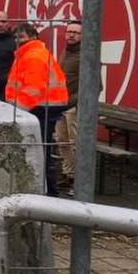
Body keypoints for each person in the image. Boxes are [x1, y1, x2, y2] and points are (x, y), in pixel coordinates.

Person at [5, 23, 71, 194]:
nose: (17, 41)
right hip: (43, 107)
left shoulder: (32, 56)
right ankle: (48, 192)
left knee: (40, 152)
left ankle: (47, 193)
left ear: (33, 36)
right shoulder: (32, 53)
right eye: (16, 37)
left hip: (40, 108)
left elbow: (32, 89)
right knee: (42, 151)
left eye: (21, 37)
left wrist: (16, 111)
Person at [56, 22, 84, 192]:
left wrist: (74, 100)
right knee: (62, 142)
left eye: (76, 32)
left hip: (74, 107)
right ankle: (69, 175)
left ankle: (79, 181)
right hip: (60, 105)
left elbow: (95, 85)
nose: (71, 35)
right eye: (69, 31)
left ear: (82, 36)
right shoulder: (65, 52)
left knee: (76, 144)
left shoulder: (85, 56)